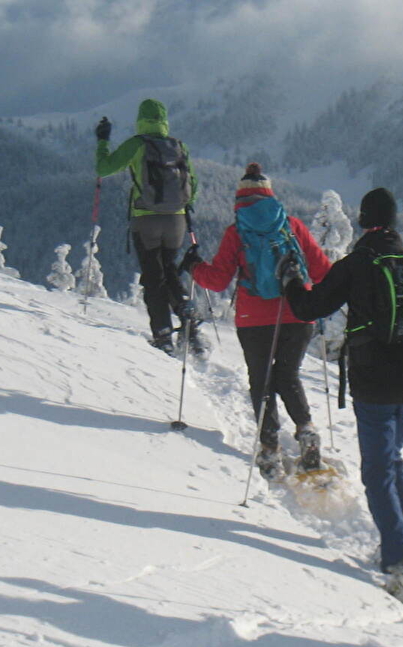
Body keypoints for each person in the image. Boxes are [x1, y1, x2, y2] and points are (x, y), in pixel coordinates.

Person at [281, 188, 403, 591]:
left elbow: (309, 308)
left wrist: (291, 281)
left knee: (377, 471)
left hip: (373, 379)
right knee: (392, 460)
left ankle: (400, 557)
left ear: (363, 222)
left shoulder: (356, 265)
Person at [180, 163, 332, 475]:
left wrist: (194, 267)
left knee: (261, 380)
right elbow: (322, 272)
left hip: (254, 320)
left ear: (240, 199)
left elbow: (218, 280)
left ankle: (270, 448)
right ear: (270, 195)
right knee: (288, 376)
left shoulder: (237, 232)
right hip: (298, 315)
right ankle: (306, 431)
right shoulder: (292, 226)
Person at [94, 99, 200, 354]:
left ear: (141, 120)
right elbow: (193, 186)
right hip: (176, 220)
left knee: (153, 276)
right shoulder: (179, 146)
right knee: (170, 268)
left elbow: (103, 168)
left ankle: (163, 335)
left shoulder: (137, 144)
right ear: (164, 120)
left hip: (146, 219)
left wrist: (103, 141)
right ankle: (186, 315)